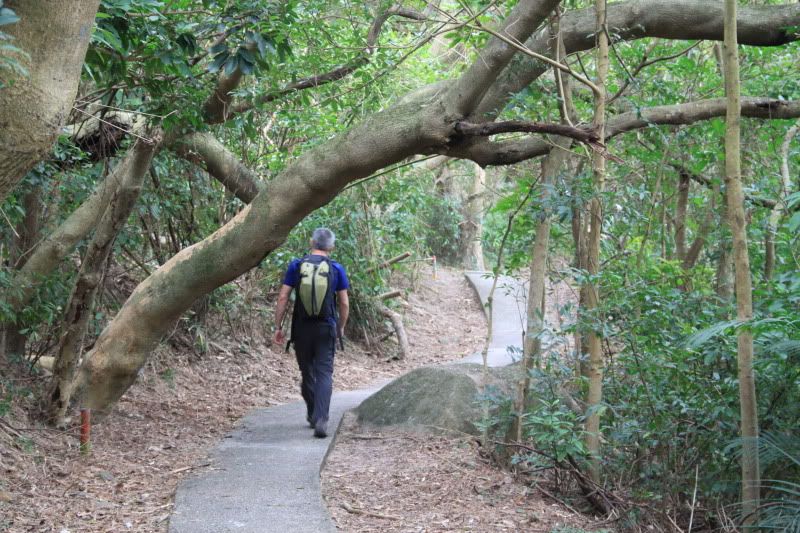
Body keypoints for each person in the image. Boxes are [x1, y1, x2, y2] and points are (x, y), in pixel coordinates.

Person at [273, 228, 349, 438]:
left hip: (302, 328)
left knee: (307, 371)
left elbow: (283, 297)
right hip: (326, 327)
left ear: (311, 242)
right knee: (324, 372)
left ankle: (313, 412)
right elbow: (343, 302)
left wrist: (278, 327)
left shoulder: (297, 266)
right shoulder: (336, 268)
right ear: (331, 247)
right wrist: (340, 327)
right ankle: (322, 418)